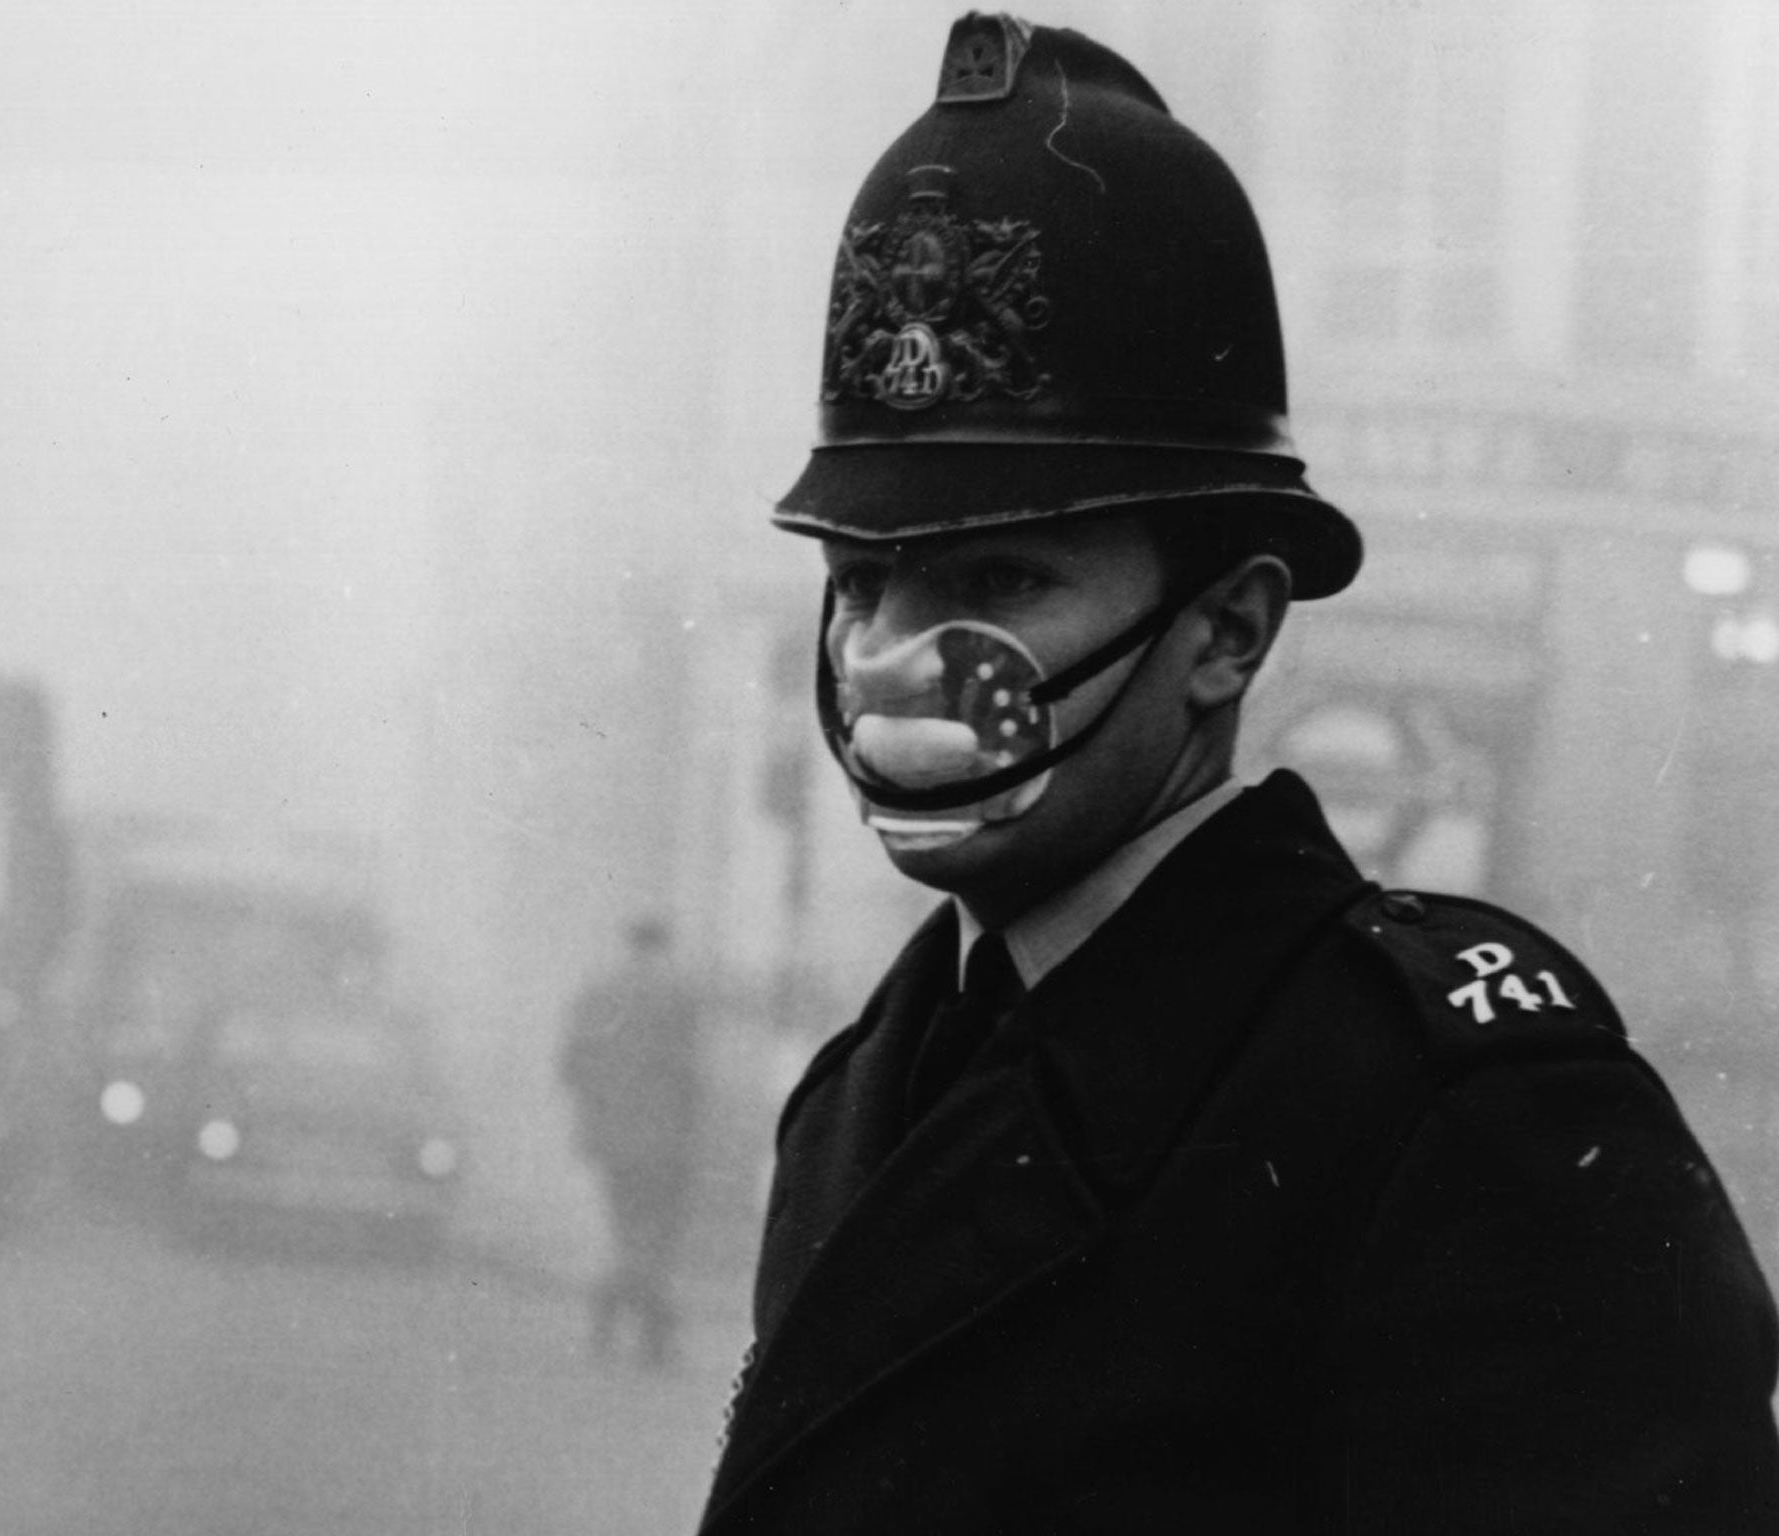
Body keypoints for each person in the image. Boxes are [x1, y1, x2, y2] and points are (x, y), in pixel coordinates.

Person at [698, 15, 1779, 1534]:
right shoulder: (865, 1095)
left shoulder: (1459, 1116)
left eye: (1001, 578)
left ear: (1229, 628)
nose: (896, 652)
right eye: (866, 577)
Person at [561, 916, 705, 1368]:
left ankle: (610, 1324)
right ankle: (650, 1336)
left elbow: (570, 1065)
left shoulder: (598, 993)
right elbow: (690, 1074)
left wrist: (598, 1113)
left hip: (613, 1141)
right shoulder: (678, 996)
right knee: (656, 1238)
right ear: (664, 945)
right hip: (664, 1141)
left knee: (625, 1231)